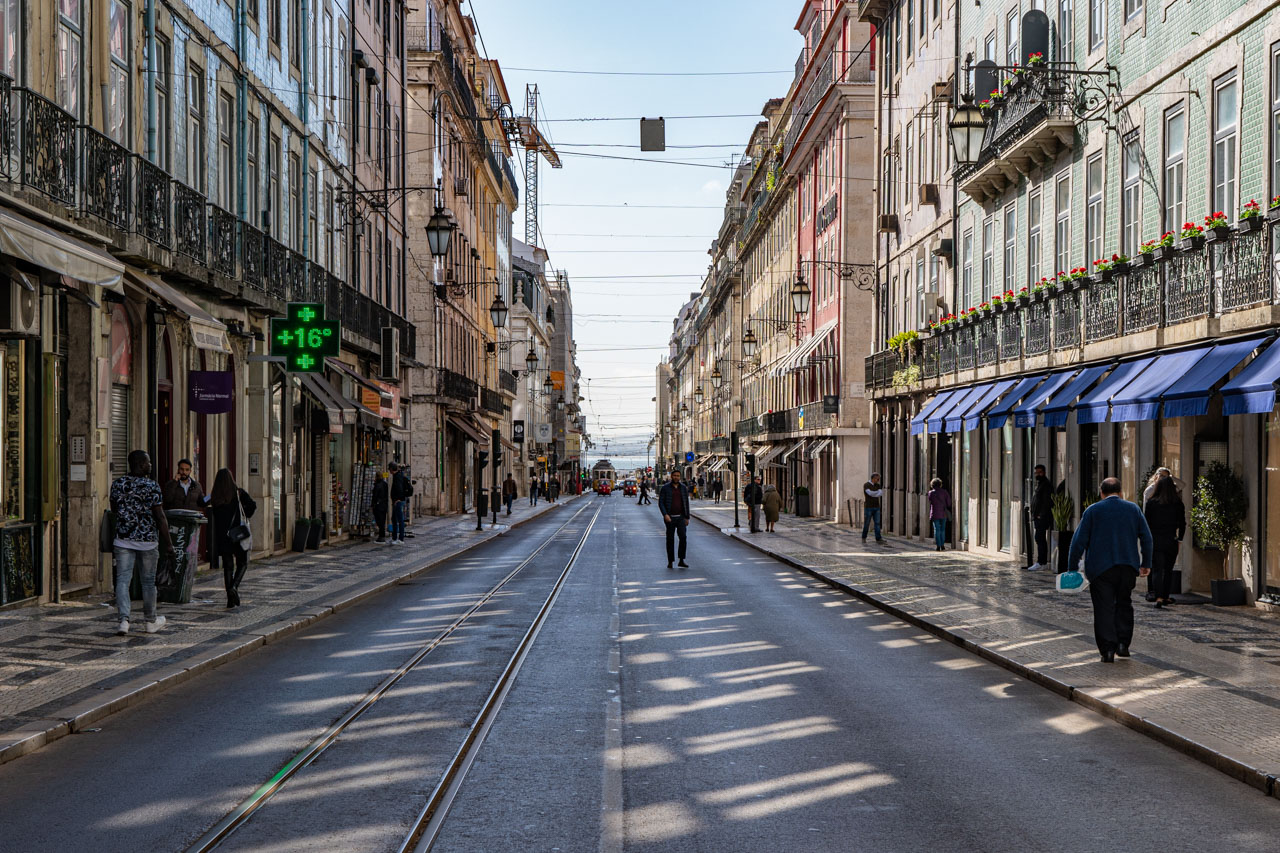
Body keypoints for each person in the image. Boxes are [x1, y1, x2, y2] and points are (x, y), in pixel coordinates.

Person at [1066, 477, 1153, 663]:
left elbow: (1078, 542)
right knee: (1124, 603)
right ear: (1120, 493)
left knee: (1103, 607)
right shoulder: (1133, 509)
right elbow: (1147, 538)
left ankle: (1107, 649)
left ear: (1101, 493)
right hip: (1128, 566)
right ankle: (1123, 644)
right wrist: (1146, 563)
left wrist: (1072, 568)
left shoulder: (1093, 511)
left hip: (1100, 569)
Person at [109, 450, 174, 635]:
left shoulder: (118, 484)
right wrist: (168, 543)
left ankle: (123, 621)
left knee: (122, 580)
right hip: (147, 541)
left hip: (123, 539)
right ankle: (150, 621)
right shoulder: (151, 486)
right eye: (148, 462)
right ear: (139, 464)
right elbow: (160, 516)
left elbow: (114, 509)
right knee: (148, 582)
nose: (150, 465)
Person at [209, 468, 257, 608]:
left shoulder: (215, 497)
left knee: (228, 566)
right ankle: (234, 587)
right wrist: (245, 515)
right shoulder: (238, 493)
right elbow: (253, 506)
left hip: (223, 537)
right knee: (242, 563)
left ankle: (230, 599)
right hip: (238, 534)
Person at [1144, 476, 1186, 609]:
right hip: (1171, 539)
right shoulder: (1178, 504)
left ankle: (1159, 597)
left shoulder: (1151, 503)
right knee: (1168, 570)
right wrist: (1180, 539)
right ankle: (1166, 595)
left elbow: (1146, 524)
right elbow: (1183, 524)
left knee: (1157, 569)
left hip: (1155, 540)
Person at [658, 470, 691, 569]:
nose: (676, 477)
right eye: (675, 476)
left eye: (678, 476)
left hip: (681, 517)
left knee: (683, 538)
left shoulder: (683, 488)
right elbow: (661, 503)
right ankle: (670, 561)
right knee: (670, 539)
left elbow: (686, 503)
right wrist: (665, 514)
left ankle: (681, 560)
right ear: (671, 476)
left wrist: (687, 517)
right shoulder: (665, 488)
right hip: (670, 518)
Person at [1028, 464, 1054, 571]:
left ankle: (1041, 562)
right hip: (1037, 516)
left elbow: (1047, 501)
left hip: (1042, 517)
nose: (1038, 474)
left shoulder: (1046, 484)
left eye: (1040, 472)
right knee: (1039, 538)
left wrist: (1040, 515)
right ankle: (1041, 561)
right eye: (1036, 472)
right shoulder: (1040, 484)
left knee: (1040, 538)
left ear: (1044, 472)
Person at [389, 462, 412, 544]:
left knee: (399, 519)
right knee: (394, 519)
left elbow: (399, 489)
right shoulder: (398, 475)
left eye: (389, 469)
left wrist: (398, 499)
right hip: (397, 501)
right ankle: (395, 537)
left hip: (397, 502)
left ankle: (400, 539)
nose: (389, 471)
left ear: (392, 469)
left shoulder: (397, 477)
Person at [927, 478, 951, 551]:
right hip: (943, 513)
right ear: (940, 484)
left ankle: (938, 546)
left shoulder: (931, 493)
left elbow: (930, 501)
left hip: (935, 514)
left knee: (937, 529)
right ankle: (943, 545)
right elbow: (949, 503)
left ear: (932, 485)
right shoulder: (944, 492)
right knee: (943, 529)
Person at [862, 473, 884, 543]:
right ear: (873, 478)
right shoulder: (866, 485)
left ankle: (878, 538)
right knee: (867, 523)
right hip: (868, 507)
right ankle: (864, 537)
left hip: (876, 507)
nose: (878, 480)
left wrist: (874, 493)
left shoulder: (878, 485)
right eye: (877, 479)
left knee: (877, 523)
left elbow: (880, 493)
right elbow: (870, 493)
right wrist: (876, 493)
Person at [371, 472, 390, 542]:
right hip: (384, 505)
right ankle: (382, 535)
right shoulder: (385, 484)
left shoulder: (377, 485)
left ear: (376, 477)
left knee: (379, 521)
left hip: (378, 505)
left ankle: (381, 536)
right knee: (382, 521)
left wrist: (373, 504)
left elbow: (375, 496)